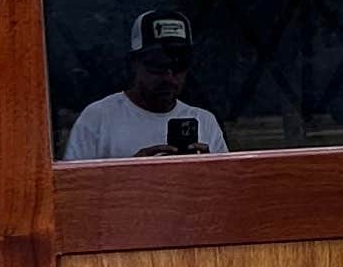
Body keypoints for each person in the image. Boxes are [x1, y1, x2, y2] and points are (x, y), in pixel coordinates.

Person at [63, 12, 228, 159]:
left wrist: (208, 171)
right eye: (157, 65)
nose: (169, 77)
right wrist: (133, 172)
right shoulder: (98, 118)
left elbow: (226, 187)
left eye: (179, 65)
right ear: (133, 63)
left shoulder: (204, 122)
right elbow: (72, 188)